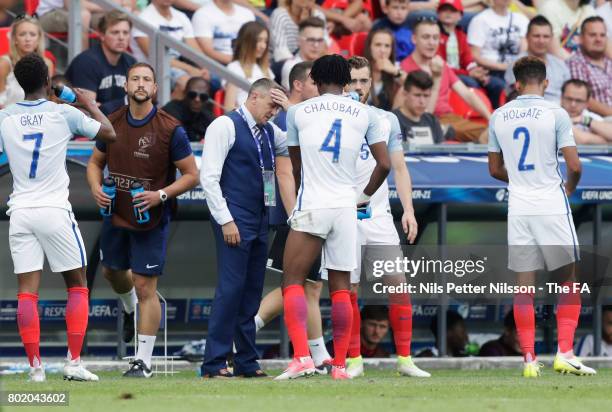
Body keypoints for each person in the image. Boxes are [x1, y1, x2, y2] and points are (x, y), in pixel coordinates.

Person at [0, 53, 116, 382]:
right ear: (48, 81)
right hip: (54, 209)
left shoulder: (4, 117)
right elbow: (109, 134)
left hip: (20, 209)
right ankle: (73, 363)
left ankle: (36, 369)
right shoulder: (63, 113)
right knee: (77, 286)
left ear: (19, 84)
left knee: (26, 292)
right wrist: (84, 102)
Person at [275, 54, 390, 380]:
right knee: (342, 289)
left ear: (314, 78)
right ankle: (339, 365)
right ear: (345, 81)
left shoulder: (297, 112)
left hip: (313, 202)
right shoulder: (365, 113)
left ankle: (302, 358)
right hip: (346, 207)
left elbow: (296, 166)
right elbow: (384, 164)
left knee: (292, 281)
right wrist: (364, 197)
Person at [87, 63, 199, 378]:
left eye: (146, 79)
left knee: (145, 286)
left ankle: (143, 361)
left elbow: (192, 175)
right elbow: (95, 163)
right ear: (126, 86)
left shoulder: (169, 128)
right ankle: (128, 308)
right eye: (135, 78)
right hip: (116, 212)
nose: (140, 83)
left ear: (155, 89)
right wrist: (96, 187)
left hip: (150, 216)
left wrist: (160, 195)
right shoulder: (111, 122)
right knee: (111, 272)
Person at [488, 56, 596, 378]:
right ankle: (565, 353)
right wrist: (569, 188)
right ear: (546, 83)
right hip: (551, 203)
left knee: (524, 286)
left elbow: (494, 169)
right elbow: (575, 166)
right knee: (568, 280)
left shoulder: (499, 115)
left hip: (519, 206)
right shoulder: (556, 113)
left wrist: (521, 180)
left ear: (516, 84)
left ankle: (529, 360)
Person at [337, 56, 429, 379]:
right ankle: (353, 360)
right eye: (353, 81)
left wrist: (409, 209)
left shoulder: (385, 119)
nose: (359, 87)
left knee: (398, 285)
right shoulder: (332, 119)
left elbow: (400, 168)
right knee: (348, 289)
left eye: (365, 81)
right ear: (343, 83)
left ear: (372, 82)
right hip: (343, 216)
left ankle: (405, 359)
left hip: (377, 216)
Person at [199, 79, 291, 378]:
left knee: (251, 291)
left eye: (278, 107)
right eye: (271, 105)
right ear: (254, 97)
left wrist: (291, 108)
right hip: (235, 216)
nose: (274, 112)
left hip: (260, 216)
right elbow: (209, 177)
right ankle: (214, 362)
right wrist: (225, 220)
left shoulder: (269, 131)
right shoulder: (224, 126)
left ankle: (246, 361)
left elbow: (297, 141)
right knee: (230, 289)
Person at [255, 62, 333, 373]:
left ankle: (318, 354)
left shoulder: (312, 117)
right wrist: (294, 216)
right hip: (301, 213)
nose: (321, 88)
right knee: (297, 284)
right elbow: (284, 173)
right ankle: (244, 333)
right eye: (315, 82)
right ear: (298, 86)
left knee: (310, 286)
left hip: (316, 209)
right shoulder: (292, 120)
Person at [401, 17, 491, 143]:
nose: (431, 42)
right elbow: (415, 111)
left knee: (492, 132)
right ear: (414, 39)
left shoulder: (441, 64)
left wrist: (491, 118)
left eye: (435, 38)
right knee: (491, 135)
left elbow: (467, 94)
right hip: (423, 120)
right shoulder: (405, 68)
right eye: (426, 37)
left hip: (449, 119)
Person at [132, 0, 207, 98]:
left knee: (213, 80)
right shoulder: (143, 18)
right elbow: (157, 57)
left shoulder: (181, 17)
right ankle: (165, 112)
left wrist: (205, 68)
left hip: (177, 66)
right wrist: (190, 69)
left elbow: (195, 50)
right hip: (150, 68)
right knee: (186, 83)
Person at [65, 11, 136, 114]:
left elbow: (140, 103)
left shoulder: (131, 62)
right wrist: (126, 102)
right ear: (102, 35)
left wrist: (104, 107)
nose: (121, 37)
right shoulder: (86, 62)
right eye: (115, 32)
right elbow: (89, 111)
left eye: (125, 33)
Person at [437, 0, 505, 109]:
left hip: (464, 73)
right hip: (449, 74)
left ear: (460, 15)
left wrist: (476, 71)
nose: (448, 13)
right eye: (444, 10)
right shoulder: (435, 35)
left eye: (453, 10)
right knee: (471, 82)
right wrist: (469, 73)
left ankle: (496, 115)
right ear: (438, 14)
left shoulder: (460, 34)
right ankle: (475, 116)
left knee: (497, 85)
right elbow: (441, 65)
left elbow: (468, 58)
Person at [467, 0, 528, 107]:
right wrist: (504, 67)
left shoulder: (521, 19)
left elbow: (525, 49)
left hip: (516, 71)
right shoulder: (481, 20)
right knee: (502, 88)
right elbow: (474, 55)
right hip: (490, 71)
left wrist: (516, 66)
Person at [504, 15, 570, 104]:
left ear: (551, 38)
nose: (541, 41)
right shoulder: (517, 64)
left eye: (546, 36)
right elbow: (514, 97)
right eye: (536, 36)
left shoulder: (560, 65)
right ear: (527, 37)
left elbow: (569, 95)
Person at [0, 15, 55, 108]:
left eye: (32, 34)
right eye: (22, 34)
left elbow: (48, 97)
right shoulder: (4, 64)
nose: (27, 39)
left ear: (39, 39)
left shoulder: (47, 64)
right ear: (15, 39)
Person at [567, 16, 612, 118]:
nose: (598, 39)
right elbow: (585, 99)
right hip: (599, 120)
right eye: (593, 35)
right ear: (581, 38)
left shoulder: (609, 61)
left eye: (602, 35)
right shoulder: (576, 63)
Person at [224, 22, 274, 111]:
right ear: (247, 41)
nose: (263, 46)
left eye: (265, 41)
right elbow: (229, 108)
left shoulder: (266, 69)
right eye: (259, 40)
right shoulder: (235, 68)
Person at [192, 0, 256, 66]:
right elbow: (208, 51)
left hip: (248, 63)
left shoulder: (247, 13)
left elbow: (254, 44)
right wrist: (238, 62)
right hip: (219, 65)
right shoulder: (202, 14)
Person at [394, 70, 447, 144]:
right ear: (405, 94)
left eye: (426, 96)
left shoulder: (433, 121)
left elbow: (442, 152)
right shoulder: (392, 121)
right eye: (417, 95)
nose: (422, 101)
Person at [162, 76, 215, 142]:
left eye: (203, 97)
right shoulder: (170, 111)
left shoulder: (208, 117)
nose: (197, 99)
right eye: (192, 94)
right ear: (185, 93)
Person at [364, 28, 405, 111]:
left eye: (387, 46)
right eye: (378, 45)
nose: (382, 50)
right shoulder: (358, 68)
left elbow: (414, 85)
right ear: (369, 47)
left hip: (388, 119)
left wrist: (394, 71)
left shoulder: (395, 69)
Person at [36, 0, 104, 50]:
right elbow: (70, 4)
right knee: (82, 16)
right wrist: (106, 8)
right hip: (46, 13)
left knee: (111, 18)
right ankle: (82, 61)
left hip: (72, 10)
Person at [560, 79, 612, 144]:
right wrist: (604, 140)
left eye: (579, 101)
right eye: (569, 99)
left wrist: (583, 120)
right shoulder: (553, 113)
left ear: (587, 103)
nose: (573, 104)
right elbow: (581, 140)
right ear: (561, 98)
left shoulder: (589, 116)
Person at [280, 17, 326, 90]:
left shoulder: (327, 65)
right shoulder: (291, 67)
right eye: (311, 40)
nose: (316, 45)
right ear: (298, 41)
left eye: (320, 40)